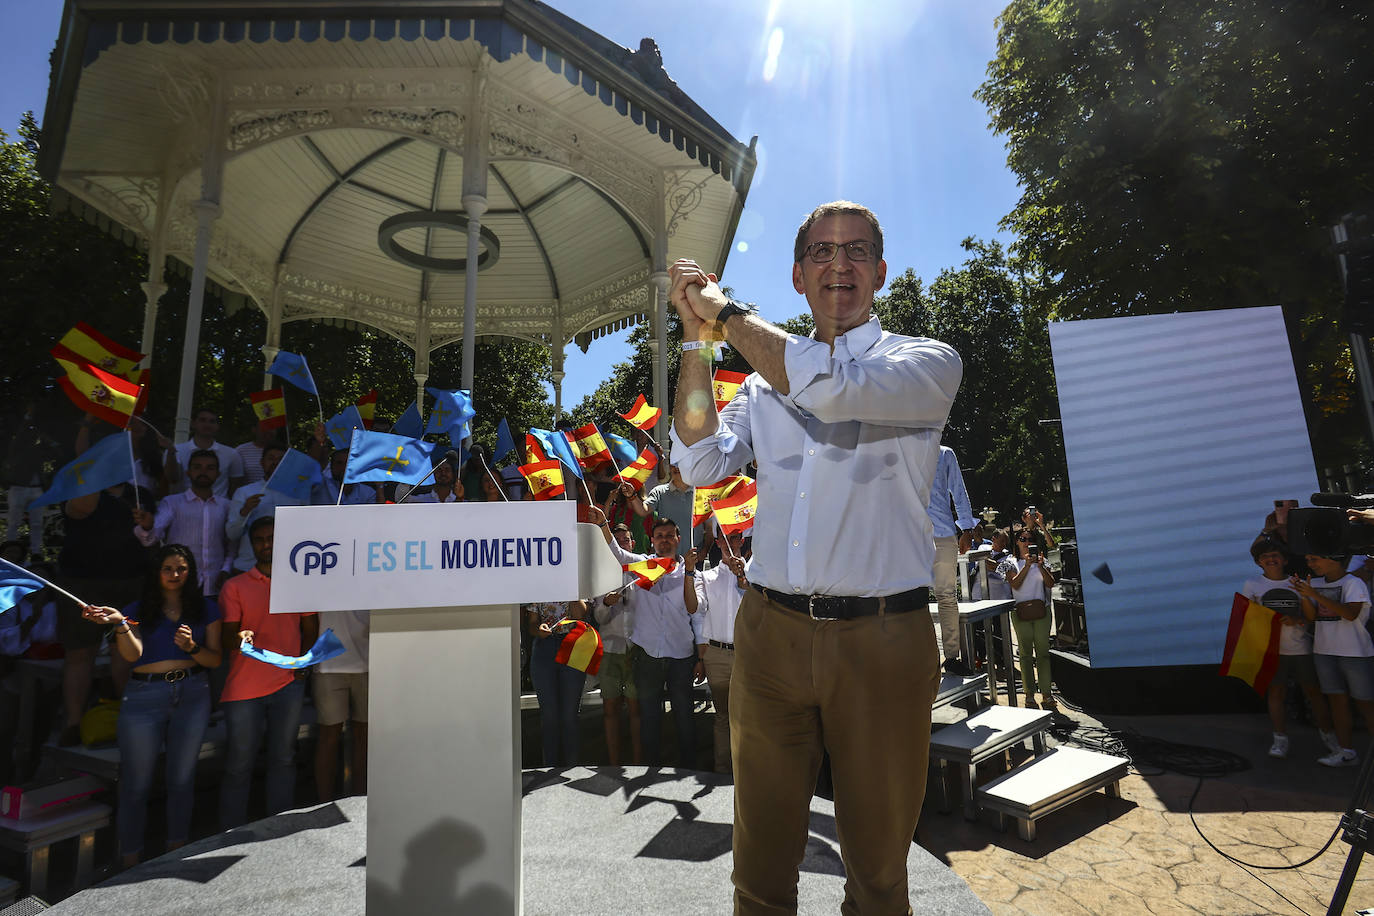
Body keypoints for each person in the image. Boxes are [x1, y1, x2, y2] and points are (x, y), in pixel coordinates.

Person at [668, 200, 961, 913]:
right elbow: (698, 460)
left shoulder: (924, 363)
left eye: (857, 251)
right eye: (823, 253)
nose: (840, 265)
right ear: (799, 276)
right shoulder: (763, 382)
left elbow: (829, 391)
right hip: (770, 637)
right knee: (759, 869)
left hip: (882, 640)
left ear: (881, 272)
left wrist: (725, 310)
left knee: (879, 873)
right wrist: (698, 343)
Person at [81, 544, 221, 867]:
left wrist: (192, 647)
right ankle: (130, 860)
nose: (175, 575)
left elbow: (214, 659)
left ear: (191, 572)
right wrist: (120, 624)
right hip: (144, 696)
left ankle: (177, 852)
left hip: (193, 692)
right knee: (135, 783)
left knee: (182, 780)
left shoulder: (206, 608)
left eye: (181, 568)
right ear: (156, 572)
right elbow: (132, 655)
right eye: (168, 568)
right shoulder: (137, 608)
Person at [218, 516, 319, 827]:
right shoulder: (234, 586)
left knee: (284, 759)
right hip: (244, 688)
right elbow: (227, 638)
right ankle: (229, 832)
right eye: (260, 540)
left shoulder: (299, 580)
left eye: (271, 538)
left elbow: (310, 627)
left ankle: (278, 826)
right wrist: (240, 638)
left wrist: (303, 665)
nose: (266, 544)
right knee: (238, 765)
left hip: (287, 683)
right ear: (252, 545)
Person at [595, 510, 696, 768]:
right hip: (648, 656)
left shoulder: (690, 571)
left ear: (678, 538)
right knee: (650, 718)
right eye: (659, 536)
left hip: (681, 657)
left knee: (684, 718)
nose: (665, 540)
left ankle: (688, 769)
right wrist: (603, 523)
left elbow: (695, 612)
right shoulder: (642, 566)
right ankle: (651, 770)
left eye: (670, 536)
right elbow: (617, 553)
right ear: (651, 540)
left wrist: (702, 656)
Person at [56, 479, 151, 745]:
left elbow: (151, 534)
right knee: (80, 654)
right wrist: (94, 477)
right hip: (82, 584)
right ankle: (73, 724)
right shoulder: (79, 490)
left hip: (130, 583)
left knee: (124, 652)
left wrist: (146, 522)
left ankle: (129, 718)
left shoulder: (140, 493)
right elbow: (81, 508)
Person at [1241, 535, 1338, 759]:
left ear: (1285, 560)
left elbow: (1311, 617)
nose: (1270, 559)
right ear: (1258, 562)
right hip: (1272, 651)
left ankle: (1330, 737)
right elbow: (1246, 617)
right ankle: (1280, 740)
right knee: (1276, 693)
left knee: (1314, 693)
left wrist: (1298, 620)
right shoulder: (1252, 585)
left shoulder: (1297, 582)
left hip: (1301, 649)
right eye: (1264, 556)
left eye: (1275, 555)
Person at [1293, 552, 1374, 767]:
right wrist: (1304, 595)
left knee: (1366, 703)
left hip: (1355, 652)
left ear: (1333, 559)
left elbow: (1350, 614)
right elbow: (1311, 617)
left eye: (1314, 559)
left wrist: (1315, 594)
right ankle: (1346, 752)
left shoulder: (1353, 583)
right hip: (1324, 650)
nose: (1310, 564)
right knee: (1337, 701)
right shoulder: (1315, 583)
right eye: (1308, 560)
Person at [684, 529, 749, 774]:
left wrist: (744, 579)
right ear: (718, 542)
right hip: (718, 655)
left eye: (734, 537)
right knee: (723, 716)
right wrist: (689, 573)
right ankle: (723, 771)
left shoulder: (755, 573)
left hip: (747, 655)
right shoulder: (706, 576)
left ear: (741, 541)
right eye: (724, 538)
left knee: (749, 716)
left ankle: (748, 772)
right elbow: (693, 607)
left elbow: (760, 607)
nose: (729, 543)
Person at [133, 449, 233, 596]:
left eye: (210, 468)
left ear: (218, 474)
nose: (203, 472)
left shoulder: (227, 506)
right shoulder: (172, 503)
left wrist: (226, 569)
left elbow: (232, 543)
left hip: (216, 583)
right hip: (179, 584)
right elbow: (151, 538)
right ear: (188, 472)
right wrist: (147, 526)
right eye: (197, 467)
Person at [592, 523, 642, 765]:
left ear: (632, 544)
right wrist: (607, 604)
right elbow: (598, 618)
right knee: (610, 710)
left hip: (635, 649)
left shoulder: (641, 572)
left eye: (626, 540)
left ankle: (638, 762)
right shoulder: (602, 575)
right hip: (610, 649)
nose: (622, 543)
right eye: (618, 540)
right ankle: (614, 762)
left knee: (635, 710)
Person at [929, 446, 978, 675]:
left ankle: (951, 657)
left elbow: (958, 490)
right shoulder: (900, 448)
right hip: (910, 535)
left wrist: (967, 527)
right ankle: (925, 656)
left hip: (941, 534)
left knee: (946, 595)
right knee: (912, 597)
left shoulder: (944, 452)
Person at [524, 598, 590, 767]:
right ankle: (550, 769)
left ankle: (571, 769)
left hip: (572, 644)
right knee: (549, 716)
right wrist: (538, 630)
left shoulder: (577, 580)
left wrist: (570, 591)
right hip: (544, 647)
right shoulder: (539, 580)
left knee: (570, 714)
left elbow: (580, 614)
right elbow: (532, 623)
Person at [313, 608, 369, 801]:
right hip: (328, 665)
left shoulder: (373, 578)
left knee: (364, 737)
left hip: (367, 662)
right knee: (329, 736)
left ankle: (360, 801)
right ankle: (324, 803)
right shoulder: (319, 577)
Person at [999, 528, 1057, 710]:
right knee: (1024, 654)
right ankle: (1029, 694)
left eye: (1029, 539)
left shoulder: (1042, 560)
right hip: (1020, 613)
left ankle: (1047, 693)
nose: (1026, 541)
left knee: (1043, 654)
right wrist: (1026, 566)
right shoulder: (1009, 562)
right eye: (1022, 539)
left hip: (1042, 611)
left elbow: (1051, 583)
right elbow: (1014, 583)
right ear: (1016, 542)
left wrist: (1039, 565)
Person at [166, 408, 245, 498]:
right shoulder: (175, 451)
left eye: (212, 421)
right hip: (182, 508)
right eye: (202, 420)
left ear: (217, 426)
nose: (207, 424)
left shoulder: (231, 454)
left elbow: (235, 487)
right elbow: (171, 480)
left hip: (219, 509)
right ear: (193, 423)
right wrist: (171, 453)